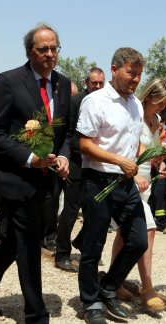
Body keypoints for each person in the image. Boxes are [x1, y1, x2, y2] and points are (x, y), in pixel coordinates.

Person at [0, 23, 71, 323]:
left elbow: (65, 130)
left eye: (54, 48)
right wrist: (29, 158)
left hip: (48, 180)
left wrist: (64, 155)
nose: (50, 54)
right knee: (29, 246)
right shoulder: (9, 81)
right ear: (30, 51)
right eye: (44, 49)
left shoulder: (63, 84)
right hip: (16, 179)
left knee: (17, 240)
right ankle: (36, 314)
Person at [77, 47, 148, 324]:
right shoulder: (96, 101)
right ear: (115, 69)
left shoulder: (136, 104)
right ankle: (90, 301)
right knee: (93, 245)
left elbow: (134, 140)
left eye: (139, 75)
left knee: (138, 240)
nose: (135, 80)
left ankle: (108, 288)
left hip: (126, 182)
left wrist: (148, 157)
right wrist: (119, 160)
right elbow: (84, 145)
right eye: (132, 73)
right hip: (99, 180)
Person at [110, 77, 166, 313]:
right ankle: (147, 288)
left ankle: (114, 282)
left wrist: (161, 164)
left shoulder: (156, 120)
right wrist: (136, 173)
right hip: (130, 178)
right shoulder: (134, 114)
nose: (162, 108)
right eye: (160, 103)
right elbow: (132, 147)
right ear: (149, 97)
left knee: (124, 235)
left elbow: (151, 153)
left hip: (147, 182)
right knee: (149, 230)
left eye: (165, 104)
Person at [55, 66, 105, 272]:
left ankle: (82, 243)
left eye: (101, 83)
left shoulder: (105, 104)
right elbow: (68, 133)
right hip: (75, 161)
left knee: (97, 209)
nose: (98, 86)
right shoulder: (76, 102)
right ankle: (62, 253)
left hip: (96, 163)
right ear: (87, 82)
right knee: (71, 208)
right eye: (94, 82)